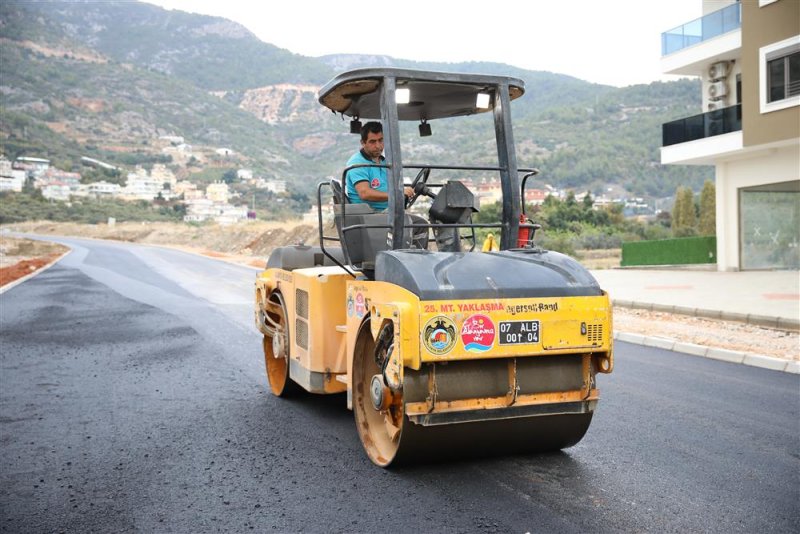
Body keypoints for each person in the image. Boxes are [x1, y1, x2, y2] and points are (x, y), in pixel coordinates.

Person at [345, 122, 413, 210]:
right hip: (369, 215)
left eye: (381, 140)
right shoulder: (357, 162)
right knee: (419, 223)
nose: (378, 146)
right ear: (363, 142)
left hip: (388, 212)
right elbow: (365, 193)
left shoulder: (385, 162)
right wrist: (397, 195)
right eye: (372, 142)